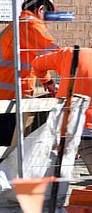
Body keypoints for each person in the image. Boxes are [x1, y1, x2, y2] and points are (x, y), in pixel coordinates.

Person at [0, 0, 60, 156]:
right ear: (41, 9)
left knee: (2, 153)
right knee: (13, 156)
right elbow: (58, 56)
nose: (48, 23)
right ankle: (11, 182)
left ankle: (3, 181)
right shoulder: (32, 25)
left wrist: (48, 83)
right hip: (7, 98)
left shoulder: (15, 27)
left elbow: (37, 61)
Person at [32, 46, 92, 175]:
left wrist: (48, 82)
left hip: (69, 125)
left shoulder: (71, 54)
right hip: (84, 128)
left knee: (55, 175)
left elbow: (37, 64)